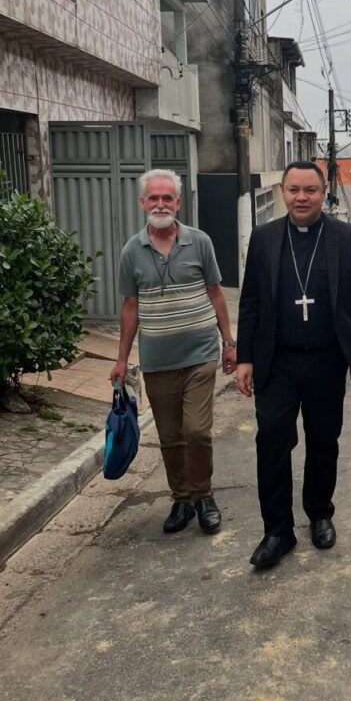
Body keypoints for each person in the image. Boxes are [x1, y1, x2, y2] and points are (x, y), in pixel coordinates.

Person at [236, 161, 351, 570]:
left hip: (327, 360)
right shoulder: (264, 237)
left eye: (310, 190)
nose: (302, 197)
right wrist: (245, 357)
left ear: (323, 194)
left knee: (323, 441)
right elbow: (250, 301)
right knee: (271, 442)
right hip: (277, 361)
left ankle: (319, 513)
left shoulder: (349, 239)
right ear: (283, 192)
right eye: (294, 190)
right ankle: (277, 531)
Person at [109, 169, 236, 535]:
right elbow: (130, 306)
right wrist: (122, 359)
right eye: (154, 198)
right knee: (170, 436)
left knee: (196, 431)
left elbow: (215, 293)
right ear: (142, 203)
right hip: (157, 361)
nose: (161, 204)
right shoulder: (132, 251)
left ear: (178, 203)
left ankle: (204, 495)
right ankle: (182, 499)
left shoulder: (200, 242)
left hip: (200, 354)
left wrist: (228, 343)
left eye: (167, 198)